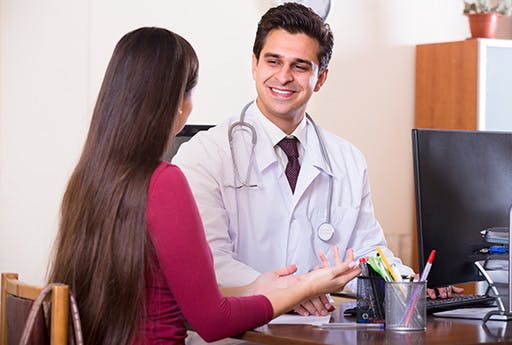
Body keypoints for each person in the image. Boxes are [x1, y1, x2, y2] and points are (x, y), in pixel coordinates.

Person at [46, 27, 361, 345]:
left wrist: (263, 288)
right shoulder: (164, 182)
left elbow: (177, 297)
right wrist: (306, 287)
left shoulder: (88, 180)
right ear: (176, 102)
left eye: (300, 66)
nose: (284, 77)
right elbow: (212, 320)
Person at [172, 2, 462, 318]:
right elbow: (208, 263)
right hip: (236, 332)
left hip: (319, 330)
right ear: (254, 65)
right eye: (273, 61)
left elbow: (365, 254)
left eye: (300, 66)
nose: (283, 77)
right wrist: (293, 291)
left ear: (320, 77)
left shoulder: (347, 160)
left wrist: (407, 283)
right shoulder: (204, 153)